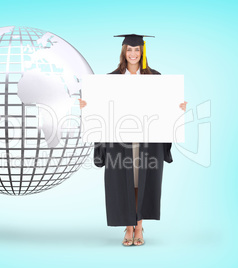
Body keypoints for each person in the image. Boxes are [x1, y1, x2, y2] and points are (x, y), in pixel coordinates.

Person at [79, 34, 187, 246]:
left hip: (148, 140)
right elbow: (100, 107)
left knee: (141, 182)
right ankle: (128, 228)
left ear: (143, 52)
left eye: (137, 50)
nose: (133, 54)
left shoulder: (155, 77)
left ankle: (139, 226)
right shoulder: (111, 79)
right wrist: (87, 106)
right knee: (123, 181)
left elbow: (166, 106)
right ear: (123, 52)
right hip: (119, 142)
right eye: (129, 49)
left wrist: (178, 107)